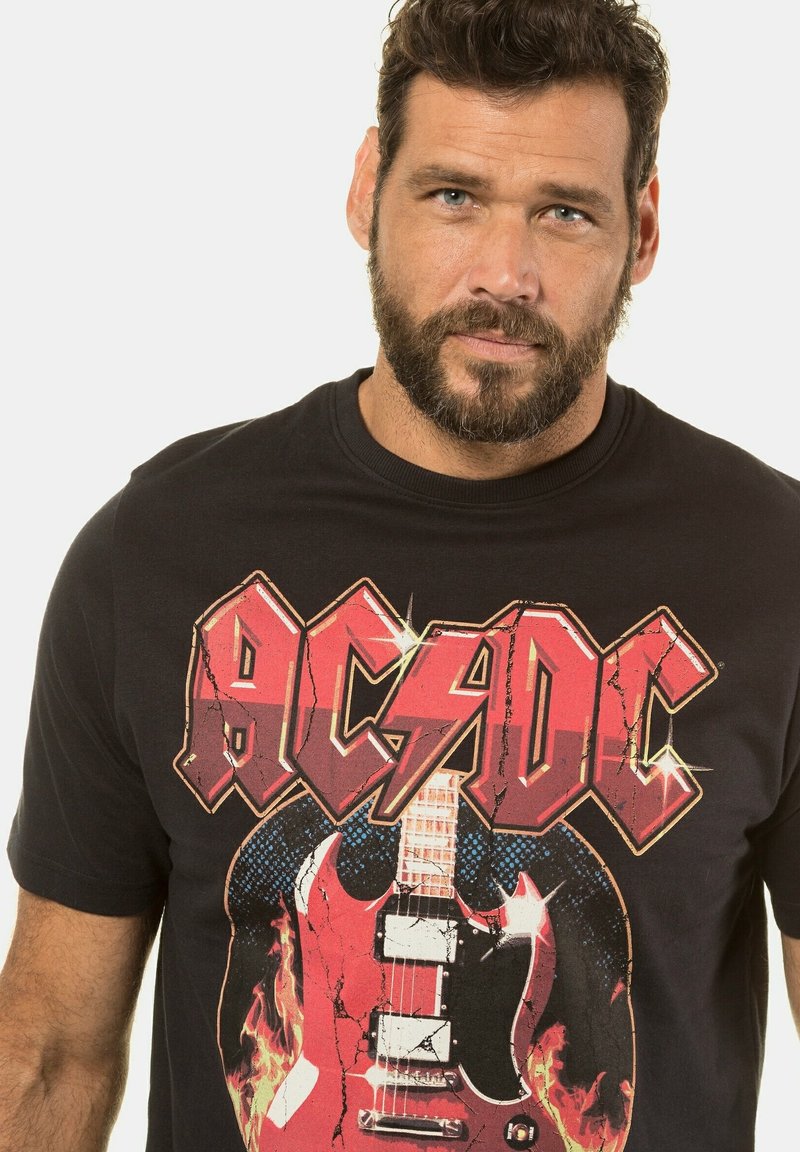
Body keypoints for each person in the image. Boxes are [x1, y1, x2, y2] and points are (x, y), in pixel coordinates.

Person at [1, 0, 798, 1149]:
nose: (504, 273)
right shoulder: (158, 551)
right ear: (367, 188)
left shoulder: (769, 569)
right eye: (453, 195)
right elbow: (50, 1055)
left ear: (641, 229)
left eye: (563, 212)